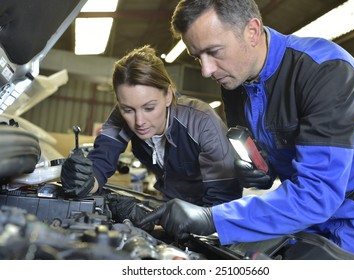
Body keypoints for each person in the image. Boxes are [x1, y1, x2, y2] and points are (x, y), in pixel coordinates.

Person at [139, 0, 354, 259]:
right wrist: (262, 171)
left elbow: (317, 194)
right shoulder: (235, 84)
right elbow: (269, 160)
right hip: (304, 215)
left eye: (214, 51)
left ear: (252, 31)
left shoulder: (325, 70)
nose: (206, 70)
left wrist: (213, 218)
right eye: (197, 57)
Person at [60, 45, 243, 222]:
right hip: (169, 204)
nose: (139, 121)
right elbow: (101, 162)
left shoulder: (202, 122)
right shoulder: (121, 117)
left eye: (149, 108)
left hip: (209, 212)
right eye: (128, 110)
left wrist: (200, 224)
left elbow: (224, 198)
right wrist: (83, 181)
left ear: (168, 96)